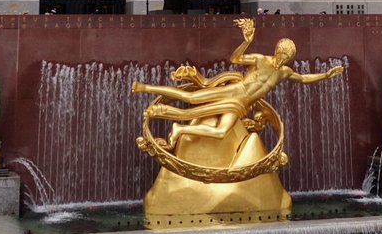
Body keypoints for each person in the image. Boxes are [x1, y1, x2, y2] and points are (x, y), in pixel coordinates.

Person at [132, 18, 342, 148]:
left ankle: (179, 130)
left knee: (221, 132)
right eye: (282, 53)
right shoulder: (261, 60)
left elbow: (303, 78)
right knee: (191, 97)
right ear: (277, 50)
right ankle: (145, 88)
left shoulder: (284, 73)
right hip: (235, 91)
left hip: (241, 106)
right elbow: (235, 59)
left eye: (287, 56)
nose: (283, 57)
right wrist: (247, 42)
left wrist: (326, 75)